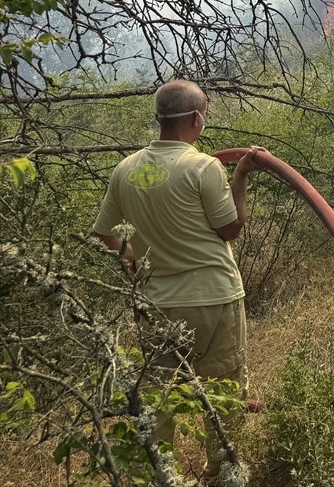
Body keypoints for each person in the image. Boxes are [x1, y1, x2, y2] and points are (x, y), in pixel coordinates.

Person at [92, 79, 265, 485]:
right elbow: (230, 229)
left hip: (157, 302)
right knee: (223, 389)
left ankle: (158, 474)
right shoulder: (202, 166)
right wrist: (239, 174)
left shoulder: (126, 168)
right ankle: (222, 474)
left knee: (156, 393)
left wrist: (136, 257)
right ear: (195, 118)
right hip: (214, 298)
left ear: (159, 118)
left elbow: (105, 234)